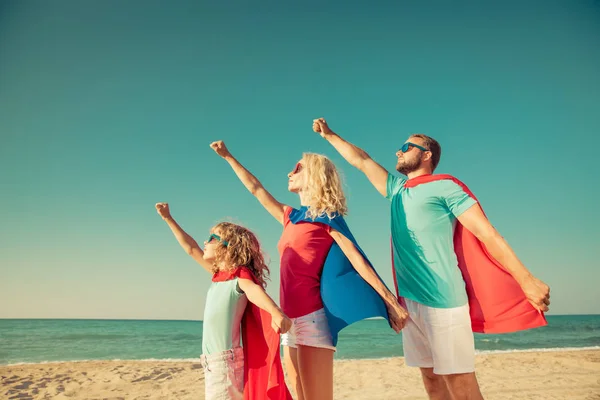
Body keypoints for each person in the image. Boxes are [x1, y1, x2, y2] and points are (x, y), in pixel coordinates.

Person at [312, 117, 551, 400]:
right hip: (410, 303)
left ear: (426, 155)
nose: (398, 152)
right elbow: (362, 161)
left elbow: (488, 234)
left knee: (459, 382)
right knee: (430, 378)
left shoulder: (446, 187)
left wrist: (527, 280)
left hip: (444, 300)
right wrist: (330, 136)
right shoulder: (397, 190)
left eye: (406, 147)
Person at [210, 141, 408, 400]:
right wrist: (227, 156)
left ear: (315, 175)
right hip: (289, 320)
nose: (290, 173)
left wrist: (390, 301)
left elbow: (358, 260)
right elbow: (256, 189)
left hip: (313, 319)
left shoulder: (328, 218)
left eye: (298, 168)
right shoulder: (290, 216)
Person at [155, 202, 293, 400]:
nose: (205, 241)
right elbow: (191, 248)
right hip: (212, 362)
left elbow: (254, 291)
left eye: (212, 238)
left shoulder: (239, 277)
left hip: (225, 363)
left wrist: (276, 311)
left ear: (228, 248)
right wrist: (168, 218)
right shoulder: (221, 276)